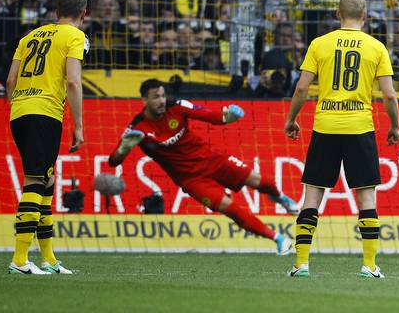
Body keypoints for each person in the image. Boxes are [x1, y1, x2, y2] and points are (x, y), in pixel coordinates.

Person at [108, 79, 299, 255]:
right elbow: (113, 161)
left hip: (211, 160)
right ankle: (278, 239)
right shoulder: (137, 129)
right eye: (156, 97)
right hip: (191, 180)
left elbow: (207, 114)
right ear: (144, 100)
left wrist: (227, 117)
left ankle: (278, 196)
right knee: (228, 207)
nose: (161, 101)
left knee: (258, 180)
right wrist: (124, 148)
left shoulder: (177, 107)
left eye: (163, 95)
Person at [284, 0, 399, 278]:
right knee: (367, 198)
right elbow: (388, 94)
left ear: (337, 15)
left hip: (325, 126)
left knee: (312, 194)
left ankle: (301, 263)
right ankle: (369, 265)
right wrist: (394, 126)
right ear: (365, 16)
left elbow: (301, 89)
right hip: (359, 127)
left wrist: (291, 119)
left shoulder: (319, 44)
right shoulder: (376, 47)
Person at [6, 0, 89, 275]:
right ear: (84, 13)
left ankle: (49, 258)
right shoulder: (75, 36)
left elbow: (10, 80)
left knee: (46, 182)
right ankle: (19, 259)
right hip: (46, 113)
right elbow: (74, 83)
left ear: (56, 11)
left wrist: (18, 107)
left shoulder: (29, 37)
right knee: (34, 182)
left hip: (20, 111)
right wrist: (78, 126)